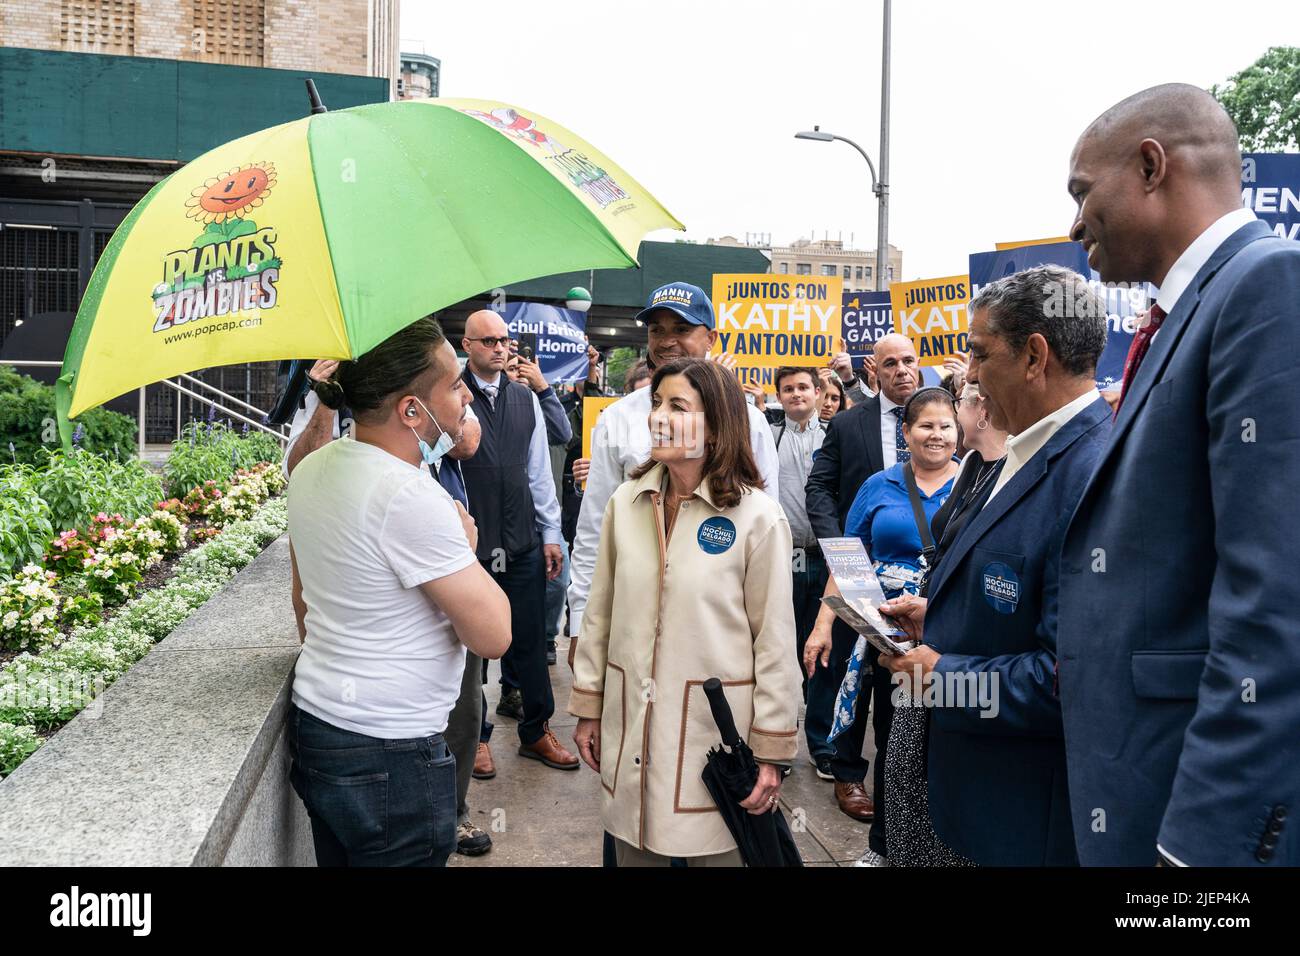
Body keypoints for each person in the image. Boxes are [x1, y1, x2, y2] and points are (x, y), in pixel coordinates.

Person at [1056, 84, 1300, 866]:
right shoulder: (1189, 309)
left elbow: (1274, 610)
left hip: (1191, 824)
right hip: (1139, 786)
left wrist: (1204, 850)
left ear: (1151, 166)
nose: (1073, 224)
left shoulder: (1267, 285)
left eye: (1083, 193)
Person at [874, 266, 1112, 866]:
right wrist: (943, 618)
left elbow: (1073, 679)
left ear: (1034, 356)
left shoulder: (1093, 473)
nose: (969, 376)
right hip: (978, 808)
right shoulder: (1021, 452)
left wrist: (943, 676)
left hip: (1027, 827)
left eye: (979, 355)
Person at [286, 316, 511, 866]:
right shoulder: (409, 497)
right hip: (393, 755)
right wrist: (465, 545)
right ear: (412, 411)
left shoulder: (312, 468)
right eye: (455, 386)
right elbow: (494, 634)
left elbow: (303, 608)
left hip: (320, 730)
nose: (465, 399)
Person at [568, 358, 800, 866]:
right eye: (656, 404)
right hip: (631, 727)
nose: (657, 417)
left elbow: (776, 641)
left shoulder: (758, 516)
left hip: (712, 738)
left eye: (677, 406)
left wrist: (773, 750)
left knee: (714, 851)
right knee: (633, 846)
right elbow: (599, 614)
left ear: (716, 426)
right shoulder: (625, 503)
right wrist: (588, 704)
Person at [566, 282, 780, 655]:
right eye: (656, 330)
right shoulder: (616, 418)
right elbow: (593, 530)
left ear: (711, 337)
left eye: (681, 329)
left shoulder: (747, 419)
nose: (667, 342)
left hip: (719, 624)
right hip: (636, 621)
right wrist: (581, 621)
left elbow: (766, 534)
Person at [804, 386, 959, 864]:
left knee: (940, 745)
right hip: (883, 634)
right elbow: (851, 561)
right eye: (926, 426)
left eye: (945, 425)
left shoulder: (977, 484)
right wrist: (822, 623)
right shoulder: (879, 486)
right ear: (906, 433)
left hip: (945, 634)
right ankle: (885, 847)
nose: (936, 435)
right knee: (892, 739)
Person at [802, 332, 919, 862]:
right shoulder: (848, 422)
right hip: (853, 573)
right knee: (849, 676)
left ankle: (901, 782)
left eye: (910, 360)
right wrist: (838, 545)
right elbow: (819, 487)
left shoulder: (942, 423)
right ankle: (846, 774)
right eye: (890, 363)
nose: (902, 370)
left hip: (916, 584)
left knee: (903, 683)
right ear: (873, 369)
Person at [459, 310, 577, 772]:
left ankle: (536, 731)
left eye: (503, 340)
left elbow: (539, 474)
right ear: (467, 345)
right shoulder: (455, 397)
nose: (499, 348)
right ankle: (477, 736)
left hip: (523, 542)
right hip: (471, 547)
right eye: (488, 341)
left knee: (529, 642)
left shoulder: (524, 399)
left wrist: (550, 533)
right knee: (472, 651)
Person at [768, 367, 830, 771]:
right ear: (780, 395)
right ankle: (779, 741)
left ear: (818, 392)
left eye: (803, 387)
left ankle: (823, 745)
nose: (796, 394)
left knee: (823, 652)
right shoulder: (769, 437)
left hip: (825, 558)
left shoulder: (835, 437)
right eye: (788, 389)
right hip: (782, 556)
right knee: (783, 651)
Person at [926, 383, 1008, 573]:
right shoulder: (971, 461)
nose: (957, 414)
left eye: (959, 403)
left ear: (982, 409)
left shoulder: (1013, 467)